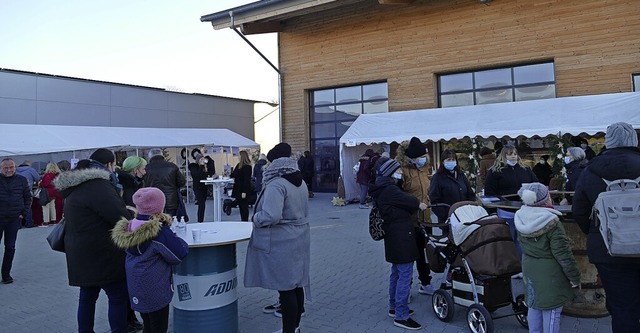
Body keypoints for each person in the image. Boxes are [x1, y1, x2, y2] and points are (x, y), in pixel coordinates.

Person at [52, 149, 133, 333]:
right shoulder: (98, 186)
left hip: (79, 252)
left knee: (87, 296)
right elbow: (119, 216)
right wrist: (131, 213)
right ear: (109, 165)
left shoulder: (75, 185)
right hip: (102, 253)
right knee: (118, 296)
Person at [572, 122, 640, 333]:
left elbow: (580, 211)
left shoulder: (590, 169)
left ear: (608, 142)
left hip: (608, 249)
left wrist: (597, 232)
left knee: (621, 307)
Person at [244, 142, 310, 333]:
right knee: (297, 284)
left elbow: (271, 215)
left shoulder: (276, 184)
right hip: (299, 238)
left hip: (282, 241)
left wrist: (255, 218)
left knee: (286, 288)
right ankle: (295, 327)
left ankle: (288, 330)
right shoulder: (300, 181)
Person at [111, 187, 189, 333]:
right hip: (156, 290)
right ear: (159, 207)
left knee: (148, 324)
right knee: (159, 327)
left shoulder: (129, 226)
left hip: (136, 287)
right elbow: (179, 253)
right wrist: (177, 239)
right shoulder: (158, 233)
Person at [368, 157, 429, 330]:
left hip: (394, 235)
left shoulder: (384, 188)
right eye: (398, 170)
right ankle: (401, 315)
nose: (401, 172)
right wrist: (420, 204)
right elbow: (412, 202)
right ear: (390, 172)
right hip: (401, 235)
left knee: (396, 272)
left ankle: (394, 307)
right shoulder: (390, 190)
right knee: (404, 274)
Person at [514, 183, 580, 333]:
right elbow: (563, 255)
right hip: (551, 273)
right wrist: (574, 277)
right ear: (545, 199)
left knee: (533, 304)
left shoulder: (520, 216)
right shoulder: (552, 222)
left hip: (530, 267)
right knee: (552, 311)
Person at [396, 137, 435, 295]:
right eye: (420, 157)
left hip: (426, 219)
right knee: (410, 256)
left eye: (424, 156)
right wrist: (414, 205)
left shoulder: (425, 168)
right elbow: (398, 196)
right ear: (412, 157)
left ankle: (425, 282)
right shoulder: (401, 171)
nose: (423, 159)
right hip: (410, 221)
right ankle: (406, 287)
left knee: (424, 254)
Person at [484, 144, 538, 260]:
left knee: (524, 239)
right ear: (503, 156)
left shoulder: (525, 169)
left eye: (514, 154)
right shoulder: (495, 171)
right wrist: (493, 210)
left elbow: (536, 185)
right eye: (509, 154)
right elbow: (489, 193)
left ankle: (523, 265)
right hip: (506, 211)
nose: (513, 156)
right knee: (509, 239)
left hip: (525, 210)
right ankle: (512, 265)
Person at [0, 158, 31, 284]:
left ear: (15, 167)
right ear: (1, 168)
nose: (9, 170)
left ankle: (6, 274)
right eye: (6, 168)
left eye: (11, 167)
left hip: (13, 219)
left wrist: (23, 214)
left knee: (10, 247)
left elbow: (27, 197)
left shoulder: (21, 180)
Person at [428, 150, 476, 224]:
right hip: (449, 219)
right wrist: (445, 216)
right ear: (443, 162)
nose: (451, 161)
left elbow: (470, 193)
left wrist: (471, 208)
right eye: (448, 160)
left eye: (453, 159)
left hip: (466, 216)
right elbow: (434, 200)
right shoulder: (437, 178)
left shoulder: (461, 175)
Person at [144, 148, 186, 217]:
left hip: (153, 200)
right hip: (171, 201)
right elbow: (182, 182)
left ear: (150, 157)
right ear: (162, 155)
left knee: (156, 224)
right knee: (171, 222)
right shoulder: (172, 166)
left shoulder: (146, 168)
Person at [16, 160, 40, 228]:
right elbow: (38, 178)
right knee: (28, 207)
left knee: (18, 207)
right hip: (27, 190)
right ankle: (29, 223)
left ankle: (18, 224)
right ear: (29, 164)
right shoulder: (31, 169)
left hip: (17, 191)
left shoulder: (15, 170)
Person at [231, 150, 253, 222]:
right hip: (238, 188)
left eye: (239, 155)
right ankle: (242, 220)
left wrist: (244, 191)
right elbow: (234, 174)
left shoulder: (247, 167)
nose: (238, 157)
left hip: (243, 189)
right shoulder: (239, 165)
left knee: (244, 207)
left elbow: (246, 180)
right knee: (240, 206)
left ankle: (245, 221)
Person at [189, 154, 208, 222]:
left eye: (203, 159)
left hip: (204, 188)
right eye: (201, 159)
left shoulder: (204, 167)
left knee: (202, 205)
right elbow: (197, 175)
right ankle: (200, 221)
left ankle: (201, 219)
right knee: (201, 204)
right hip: (197, 188)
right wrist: (201, 166)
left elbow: (205, 175)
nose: (203, 161)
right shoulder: (193, 167)